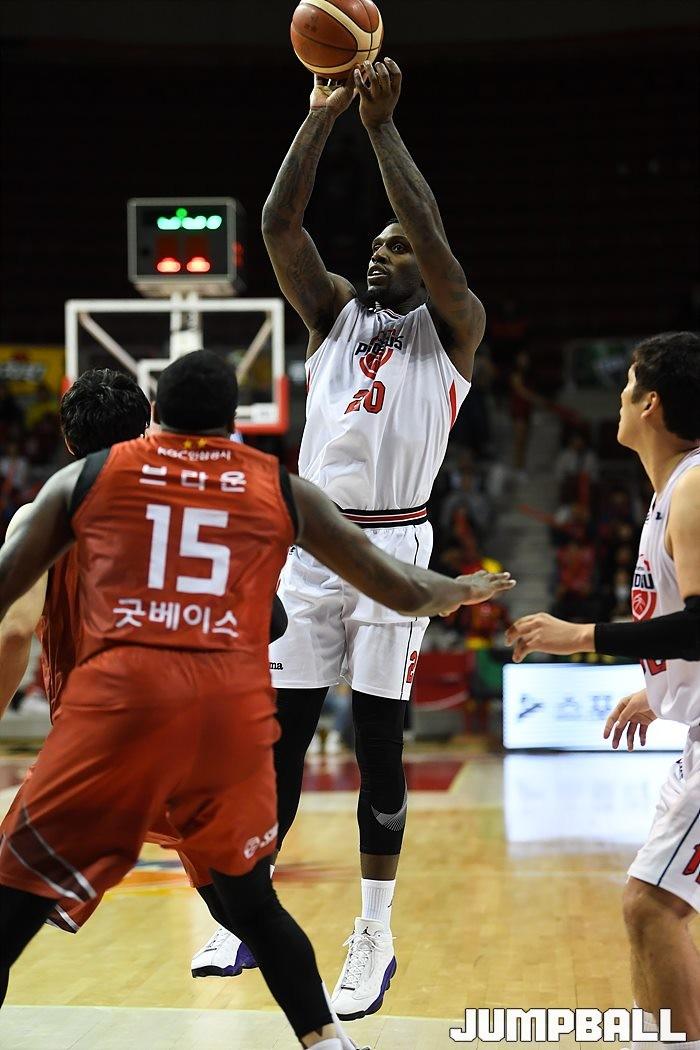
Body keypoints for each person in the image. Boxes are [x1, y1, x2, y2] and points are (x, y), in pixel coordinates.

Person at [0, 350, 514, 1050]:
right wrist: (458, 590)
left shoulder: (80, 484)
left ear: (159, 417)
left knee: (12, 903)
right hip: (219, 730)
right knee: (251, 907)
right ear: (232, 421)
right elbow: (326, 605)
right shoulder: (272, 484)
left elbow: (11, 619)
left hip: (114, 721)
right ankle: (328, 1039)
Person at [192, 57, 488, 1019]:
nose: (379, 255)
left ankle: (375, 931)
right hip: (311, 549)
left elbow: (431, 235)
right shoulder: (332, 316)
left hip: (395, 553)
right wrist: (320, 116)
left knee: (379, 747)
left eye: (396, 248)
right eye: (375, 245)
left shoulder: (454, 329)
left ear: (428, 265)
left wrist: (383, 128)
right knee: (275, 744)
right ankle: (247, 911)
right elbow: (279, 227)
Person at [506, 332, 700, 1045]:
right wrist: (665, 686)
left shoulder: (695, 486)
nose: (616, 398)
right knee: (655, 907)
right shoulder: (672, 489)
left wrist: (581, 634)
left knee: (651, 906)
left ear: (651, 404)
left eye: (626, 385)